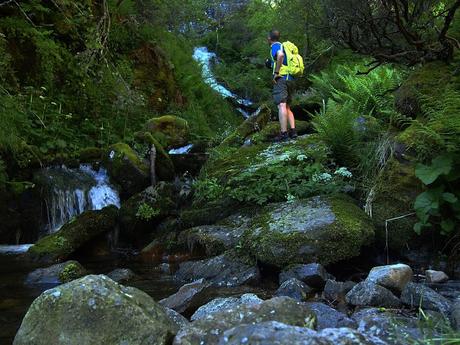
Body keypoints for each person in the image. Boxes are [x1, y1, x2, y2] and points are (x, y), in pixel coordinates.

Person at [267, 30, 297, 142]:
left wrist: (276, 73)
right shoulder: (285, 46)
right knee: (287, 106)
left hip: (282, 79)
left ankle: (284, 133)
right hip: (291, 79)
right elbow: (283, 60)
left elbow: (280, 55)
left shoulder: (275, 46)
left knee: (281, 105)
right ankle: (293, 131)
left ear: (269, 38)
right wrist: (271, 65)